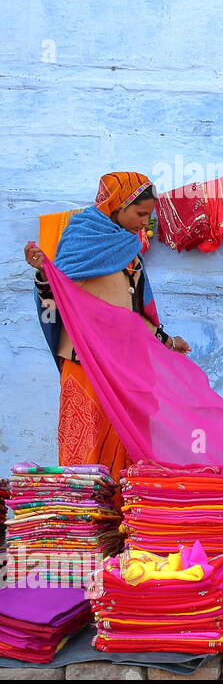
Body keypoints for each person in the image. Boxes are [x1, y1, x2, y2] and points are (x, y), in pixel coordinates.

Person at [25, 172, 191, 482]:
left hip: (127, 364)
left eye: (149, 215)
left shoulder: (129, 250)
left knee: (130, 443)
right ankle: (85, 522)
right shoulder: (80, 240)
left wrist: (167, 341)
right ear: (117, 204)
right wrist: (44, 274)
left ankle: (125, 521)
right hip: (84, 361)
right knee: (85, 442)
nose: (145, 222)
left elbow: (135, 311)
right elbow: (58, 296)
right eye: (140, 213)